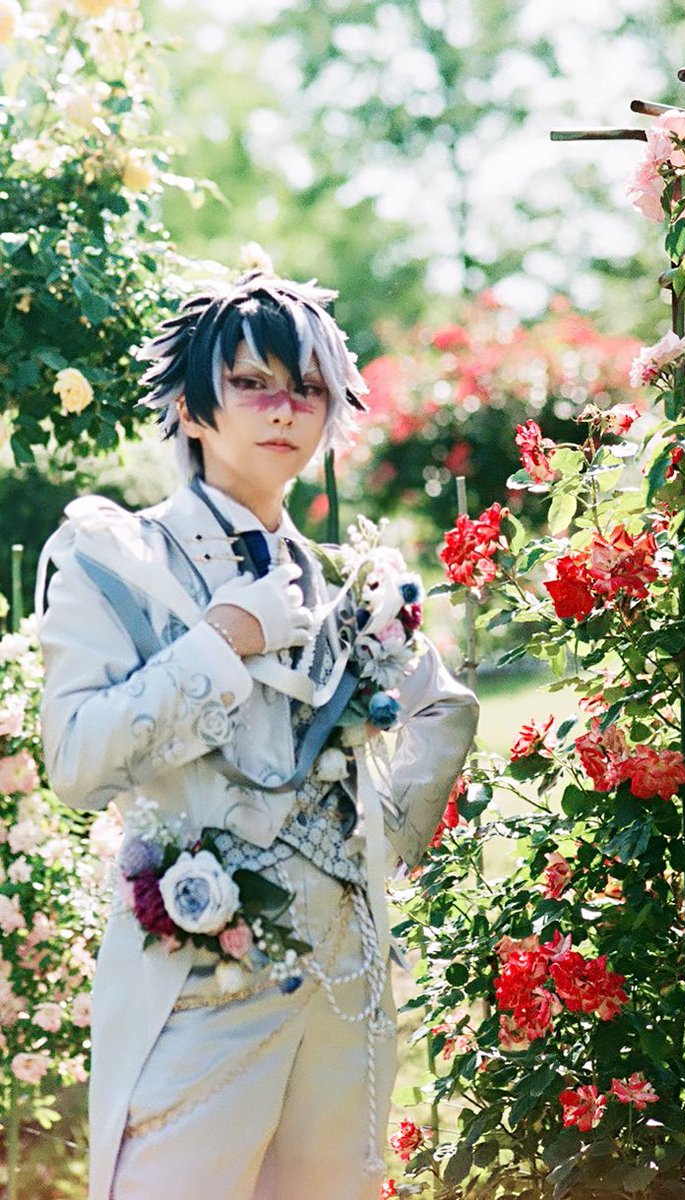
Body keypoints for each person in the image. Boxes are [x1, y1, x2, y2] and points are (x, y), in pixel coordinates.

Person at [36, 273, 479, 1200]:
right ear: (191, 408)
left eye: (308, 389)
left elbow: (447, 707)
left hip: (344, 989)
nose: (285, 409)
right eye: (251, 384)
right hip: (200, 981)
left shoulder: (344, 578)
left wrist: (371, 850)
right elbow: (74, 761)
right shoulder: (116, 557)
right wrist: (220, 642)